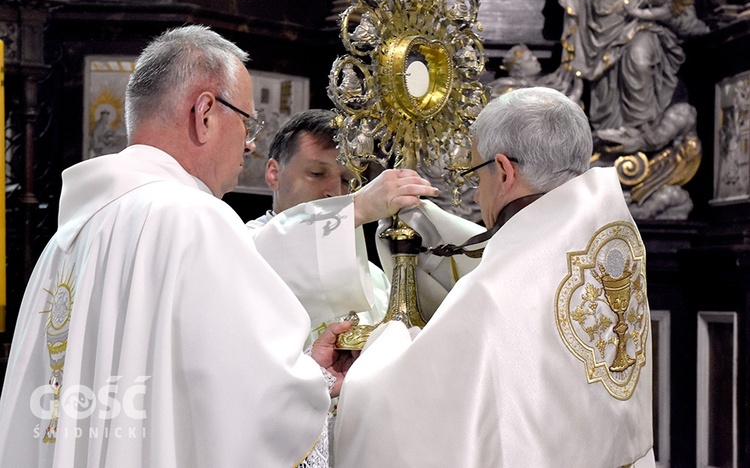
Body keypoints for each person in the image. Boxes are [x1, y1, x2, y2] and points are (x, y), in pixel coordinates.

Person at [0, 25, 352, 467]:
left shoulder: (65, 241)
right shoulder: (192, 218)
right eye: (247, 121)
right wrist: (314, 380)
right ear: (205, 112)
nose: (249, 143)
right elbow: (258, 401)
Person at [334, 87, 654, 467]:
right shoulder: (607, 246)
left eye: (475, 173)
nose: (479, 190)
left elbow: (407, 410)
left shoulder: (497, 290)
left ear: (503, 171)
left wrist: (376, 350)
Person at [247, 109, 441, 346]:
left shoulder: (375, 279)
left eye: (346, 180)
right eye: (317, 173)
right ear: (274, 174)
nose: (335, 192)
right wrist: (357, 208)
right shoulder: (242, 245)